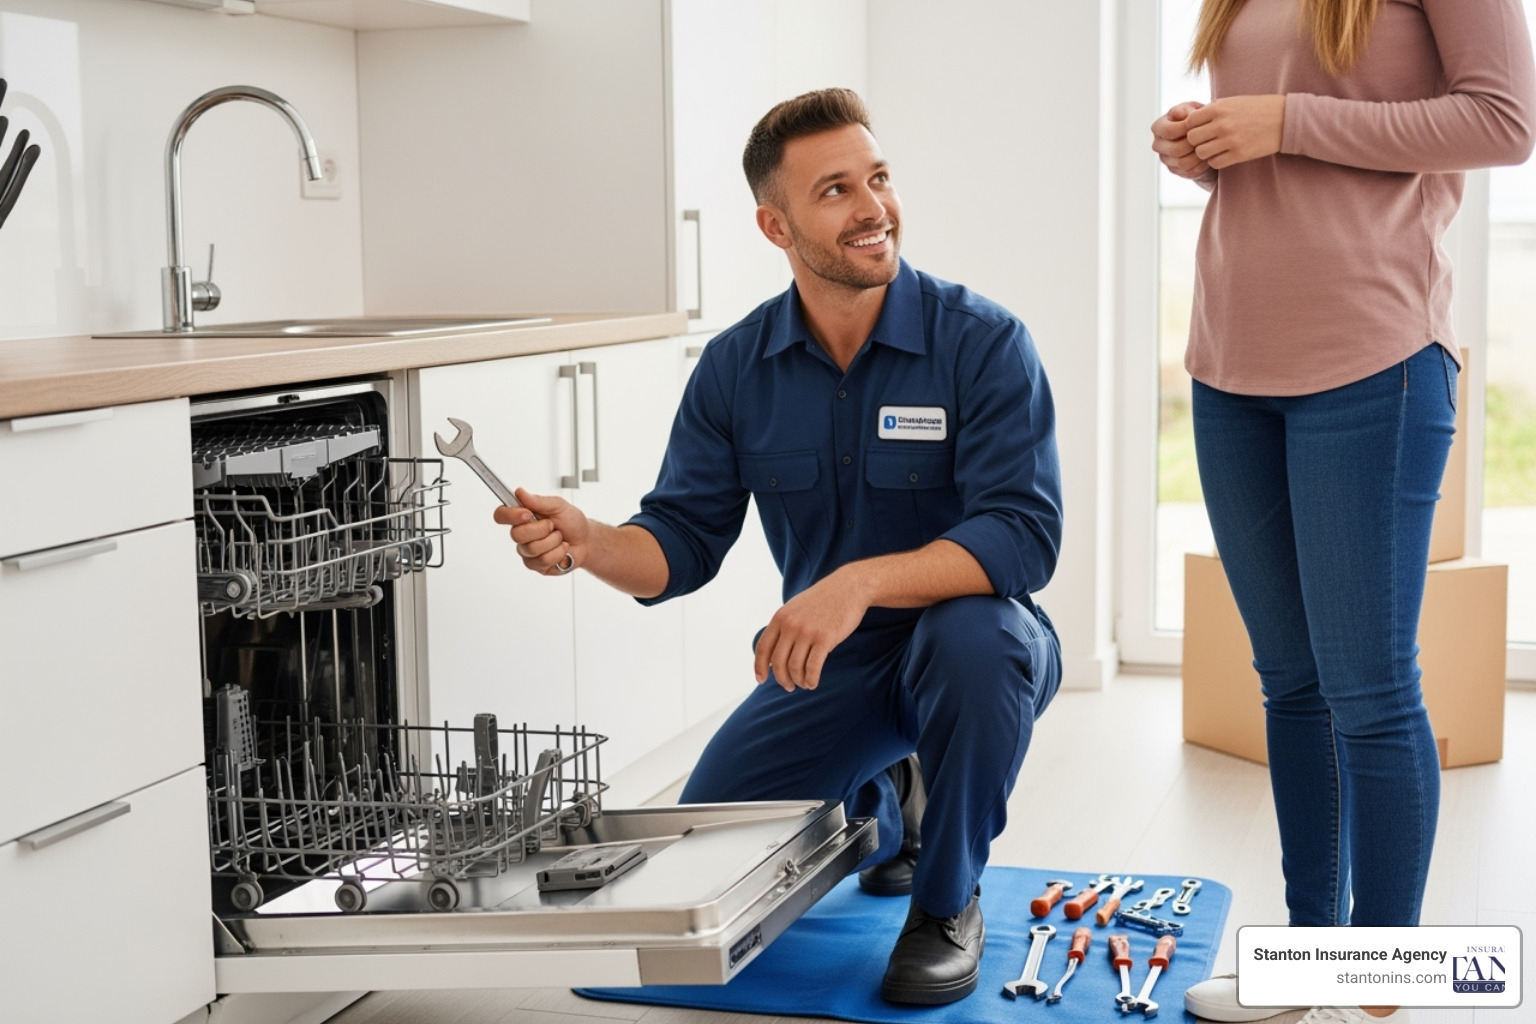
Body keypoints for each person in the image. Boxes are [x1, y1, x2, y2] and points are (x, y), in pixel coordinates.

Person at [498, 87, 1063, 1005]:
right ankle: (888, 794)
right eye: (837, 190)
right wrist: (591, 541)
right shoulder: (735, 368)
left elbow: (1024, 537)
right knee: (709, 855)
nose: (874, 208)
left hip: (976, 645)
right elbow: (679, 541)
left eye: (878, 178)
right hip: (826, 665)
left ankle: (946, 901)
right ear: (777, 224)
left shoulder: (984, 343)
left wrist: (856, 584)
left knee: (975, 643)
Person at [1151, 1, 1534, 1022]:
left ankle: (1374, 982)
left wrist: (1288, 121)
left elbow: (1506, 121)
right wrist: (1211, 148)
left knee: (1368, 690)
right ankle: (1310, 958)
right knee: (1290, 684)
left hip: (1373, 360)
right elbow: (1280, 133)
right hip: (1230, 359)